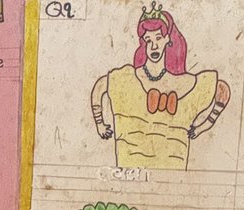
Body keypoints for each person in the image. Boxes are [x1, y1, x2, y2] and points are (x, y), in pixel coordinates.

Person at [89, 5, 231, 170]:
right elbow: (100, 86)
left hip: (172, 174)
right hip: (129, 172)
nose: (153, 46)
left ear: (168, 40)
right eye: (148, 40)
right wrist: (99, 123)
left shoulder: (185, 83)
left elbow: (222, 89)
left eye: (158, 38)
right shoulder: (126, 78)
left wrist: (204, 126)